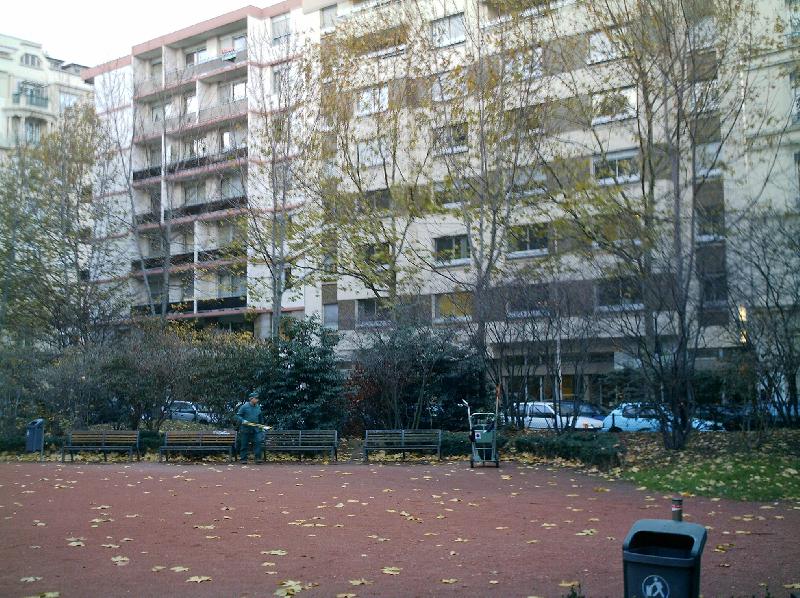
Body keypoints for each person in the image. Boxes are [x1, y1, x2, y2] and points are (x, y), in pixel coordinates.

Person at [236, 391, 264, 463]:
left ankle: (258, 458)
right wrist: (243, 420)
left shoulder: (258, 407)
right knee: (244, 443)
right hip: (245, 428)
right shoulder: (244, 406)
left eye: (257, 398)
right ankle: (243, 459)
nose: (257, 400)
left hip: (256, 428)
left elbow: (260, 417)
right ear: (251, 399)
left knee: (258, 442)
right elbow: (238, 416)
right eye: (256, 398)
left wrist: (261, 426)